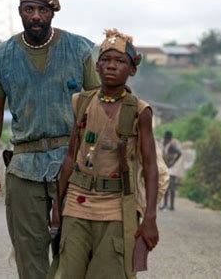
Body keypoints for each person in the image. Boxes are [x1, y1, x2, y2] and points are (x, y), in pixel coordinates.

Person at [0, 0, 100, 279]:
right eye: (29, 9)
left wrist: (95, 157)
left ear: (52, 14)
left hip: (72, 162)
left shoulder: (78, 49)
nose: (35, 16)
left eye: (42, 10)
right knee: (29, 250)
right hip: (24, 164)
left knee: (74, 248)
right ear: (20, 12)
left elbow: (98, 105)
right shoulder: (3, 56)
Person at [54, 29, 160, 279]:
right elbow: (70, 157)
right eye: (105, 60)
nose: (111, 66)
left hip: (115, 207)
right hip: (77, 202)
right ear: (97, 66)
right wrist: (57, 207)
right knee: (67, 271)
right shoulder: (81, 102)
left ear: (132, 69)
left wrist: (150, 218)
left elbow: (151, 165)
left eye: (120, 61)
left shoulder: (139, 111)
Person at [159, 130, 182, 211]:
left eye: (166, 138)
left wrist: (173, 162)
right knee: (166, 187)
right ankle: (165, 204)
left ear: (169, 138)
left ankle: (171, 206)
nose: (165, 139)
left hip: (172, 169)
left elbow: (179, 153)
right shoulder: (165, 144)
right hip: (167, 168)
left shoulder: (171, 145)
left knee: (171, 188)